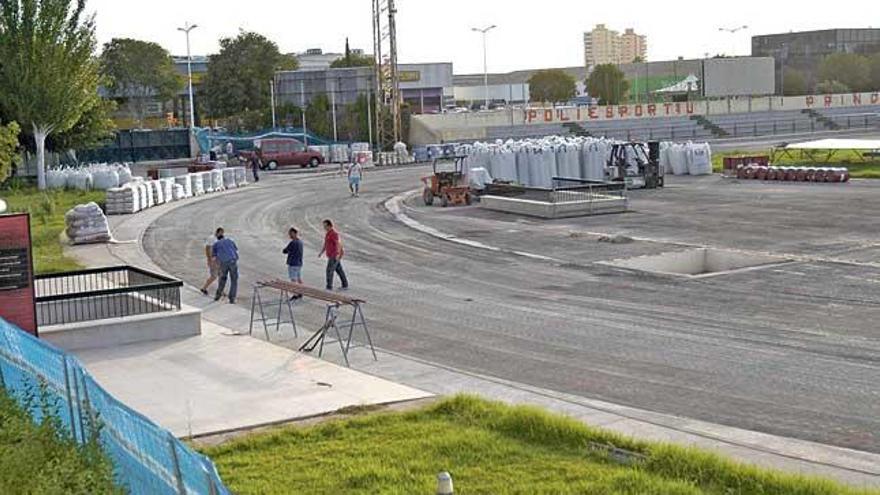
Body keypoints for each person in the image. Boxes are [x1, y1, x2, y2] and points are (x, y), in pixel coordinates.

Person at [318, 219, 348, 291]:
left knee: (329, 270)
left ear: (329, 225)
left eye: (325, 226)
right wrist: (321, 252)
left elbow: (337, 244)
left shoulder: (334, 234)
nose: (324, 227)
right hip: (331, 255)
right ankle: (345, 284)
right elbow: (326, 244)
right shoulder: (327, 234)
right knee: (339, 270)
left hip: (334, 255)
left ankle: (329, 287)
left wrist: (337, 254)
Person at [212, 227, 239, 304]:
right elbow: (235, 249)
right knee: (234, 280)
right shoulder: (230, 241)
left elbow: (214, 257)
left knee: (222, 279)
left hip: (223, 263)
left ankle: (218, 295)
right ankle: (232, 298)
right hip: (233, 261)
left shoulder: (216, 244)